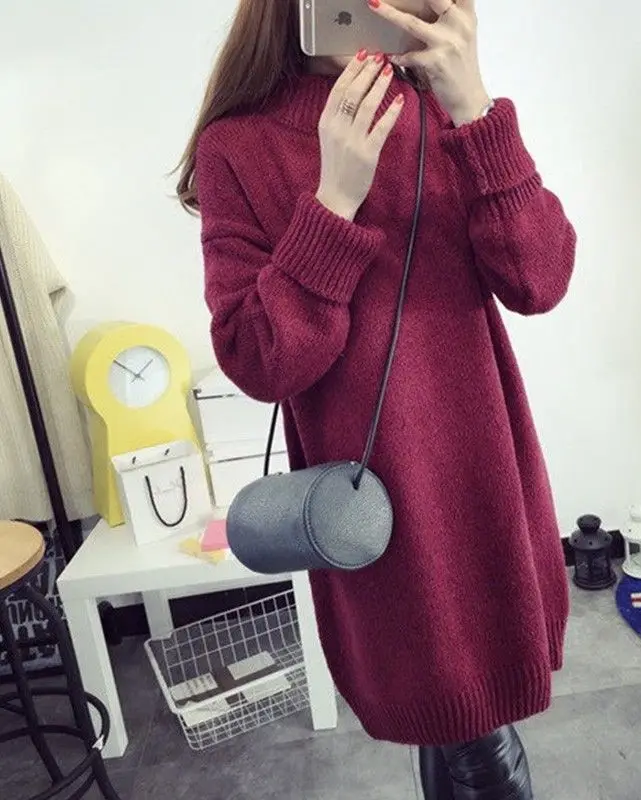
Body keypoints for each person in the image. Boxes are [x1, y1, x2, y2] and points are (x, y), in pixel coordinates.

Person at [176, 1, 577, 797]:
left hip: (484, 473)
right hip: (376, 505)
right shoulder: (239, 146)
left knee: (467, 723)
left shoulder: (442, 106)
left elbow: (539, 280)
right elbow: (259, 360)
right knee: (463, 731)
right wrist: (334, 200)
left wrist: (475, 107)